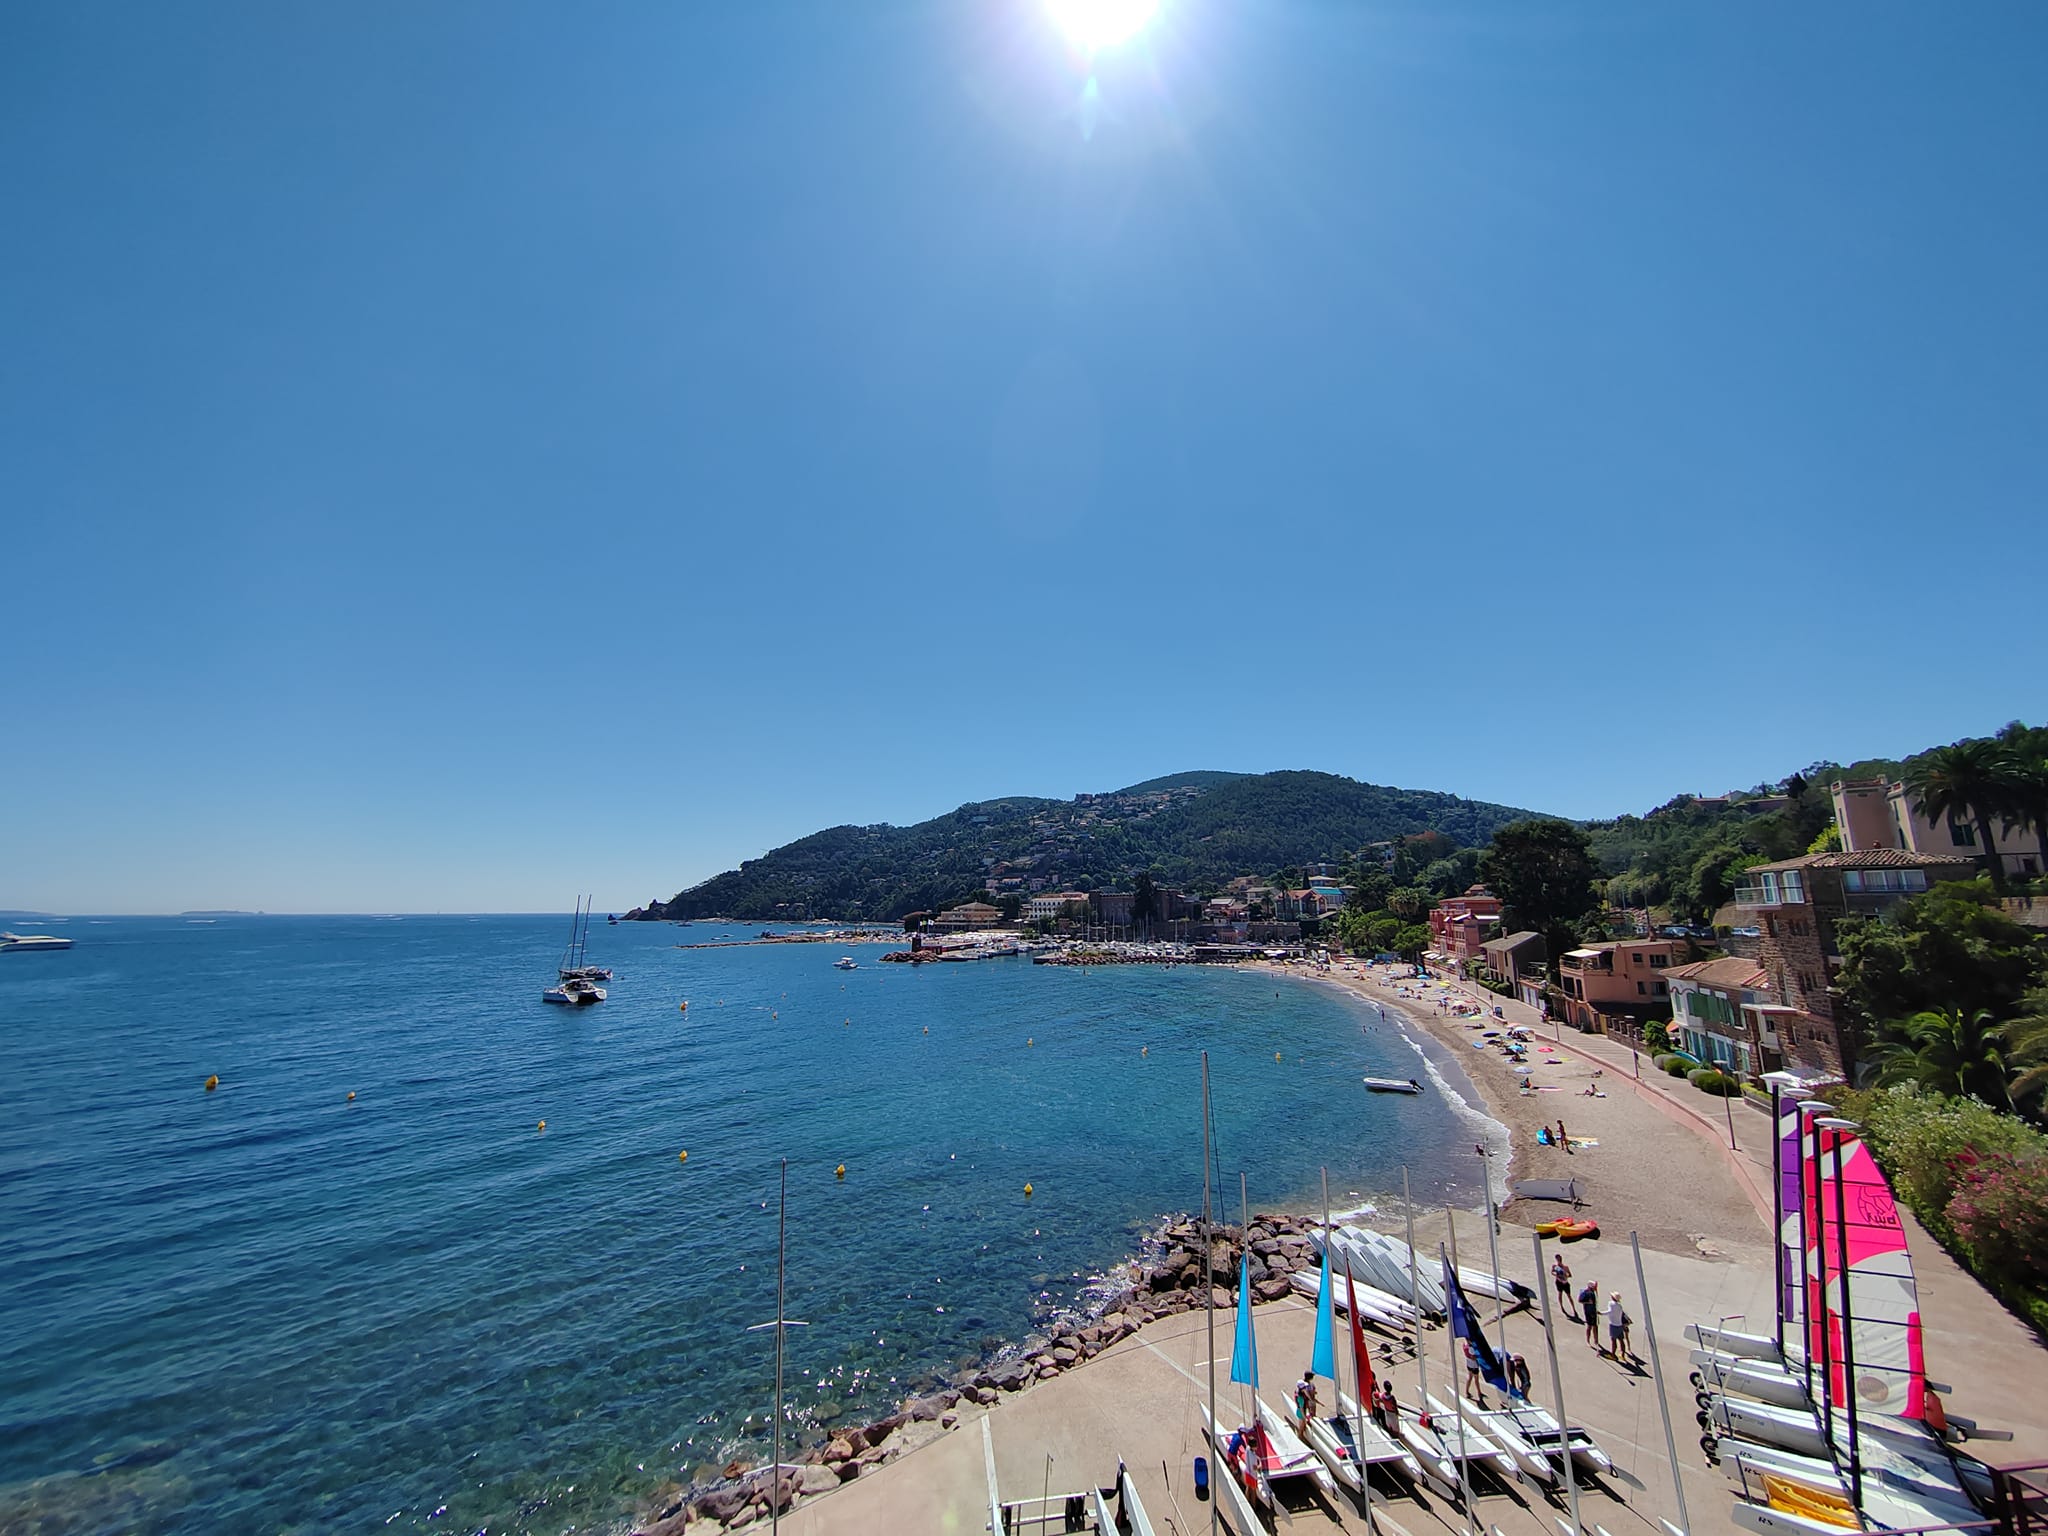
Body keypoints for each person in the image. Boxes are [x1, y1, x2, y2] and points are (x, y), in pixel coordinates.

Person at [1606, 1290, 1629, 1360]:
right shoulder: (1619, 1306)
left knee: (1613, 1340)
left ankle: (1613, 1355)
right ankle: (1622, 1355)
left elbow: (1609, 1312)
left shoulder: (1611, 1304)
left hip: (1613, 1325)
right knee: (1621, 1340)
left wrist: (1600, 1313)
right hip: (1619, 1325)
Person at [1461, 1336, 1485, 1404]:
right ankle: (1479, 1393)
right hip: (1474, 1365)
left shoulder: (1465, 1345)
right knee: (1476, 1379)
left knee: (1470, 1377)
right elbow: (1473, 1357)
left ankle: (1467, 1391)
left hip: (1468, 1364)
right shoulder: (1471, 1348)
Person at [1579, 1281, 1600, 1347]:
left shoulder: (1593, 1292)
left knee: (1595, 1326)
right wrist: (1588, 1302)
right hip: (1589, 1312)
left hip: (1594, 1311)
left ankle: (1596, 1340)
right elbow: (1580, 1300)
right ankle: (1588, 1340)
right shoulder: (1586, 1293)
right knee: (1589, 1326)